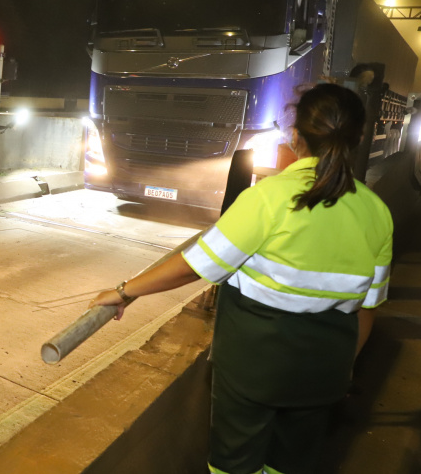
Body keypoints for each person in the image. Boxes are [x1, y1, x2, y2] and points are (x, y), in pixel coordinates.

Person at [90, 83, 393, 474]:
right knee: (291, 465)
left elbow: (194, 265)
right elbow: (368, 308)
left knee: (233, 465)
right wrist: (342, 365)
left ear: (296, 135)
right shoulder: (376, 213)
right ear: (358, 137)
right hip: (323, 374)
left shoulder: (268, 198)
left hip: (253, 369)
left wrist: (124, 292)